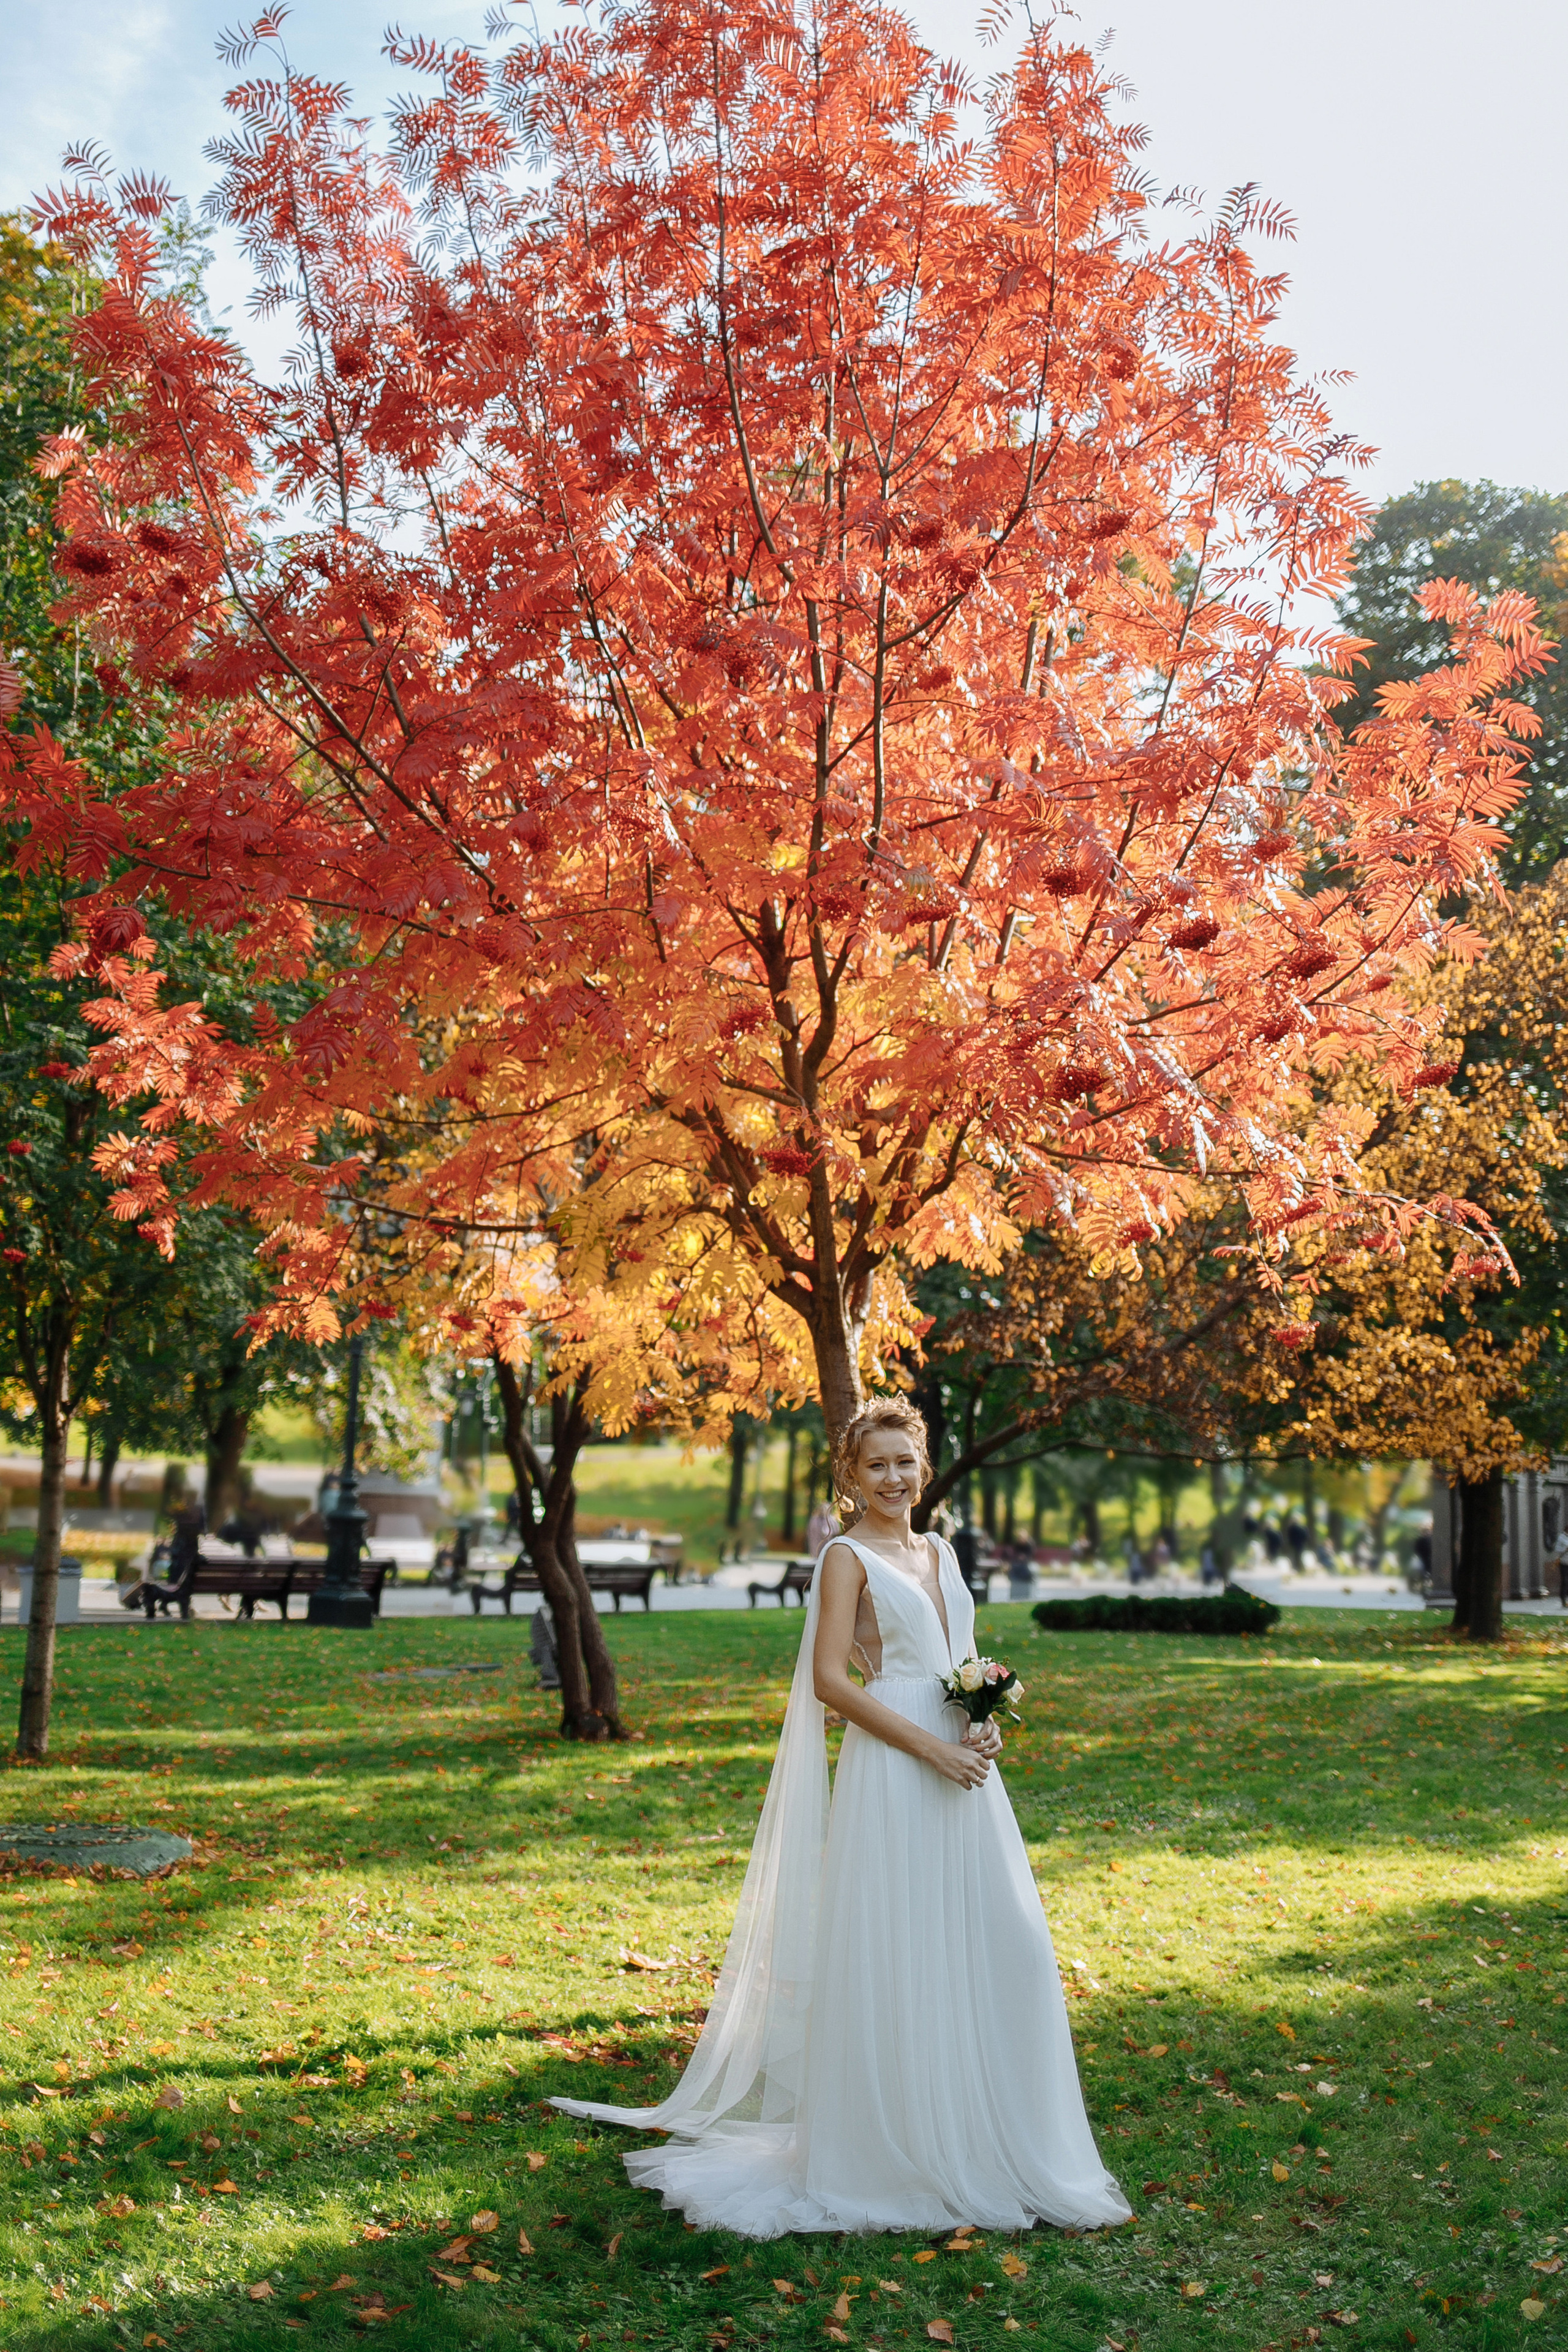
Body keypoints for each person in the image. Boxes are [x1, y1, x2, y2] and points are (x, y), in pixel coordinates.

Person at [552, 1396, 1129, 2239]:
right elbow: (831, 1680)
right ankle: (896, 2148)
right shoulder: (846, 1558)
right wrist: (931, 1750)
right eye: (877, 1465)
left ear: (923, 1466)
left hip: (966, 1767)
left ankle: (993, 2132)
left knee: (1000, 1935)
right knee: (900, 1946)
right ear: (851, 1477)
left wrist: (984, 1711)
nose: (894, 1477)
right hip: (895, 1765)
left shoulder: (940, 1550)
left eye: (905, 1461)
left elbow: (958, 1656)